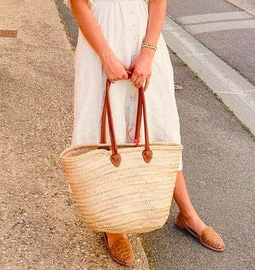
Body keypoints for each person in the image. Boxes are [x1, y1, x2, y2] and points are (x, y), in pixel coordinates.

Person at [69, 0, 225, 266]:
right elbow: (78, 4)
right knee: (106, 130)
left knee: (160, 129)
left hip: (145, 41)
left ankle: (187, 214)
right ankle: (113, 226)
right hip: (102, 42)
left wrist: (148, 52)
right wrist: (106, 57)